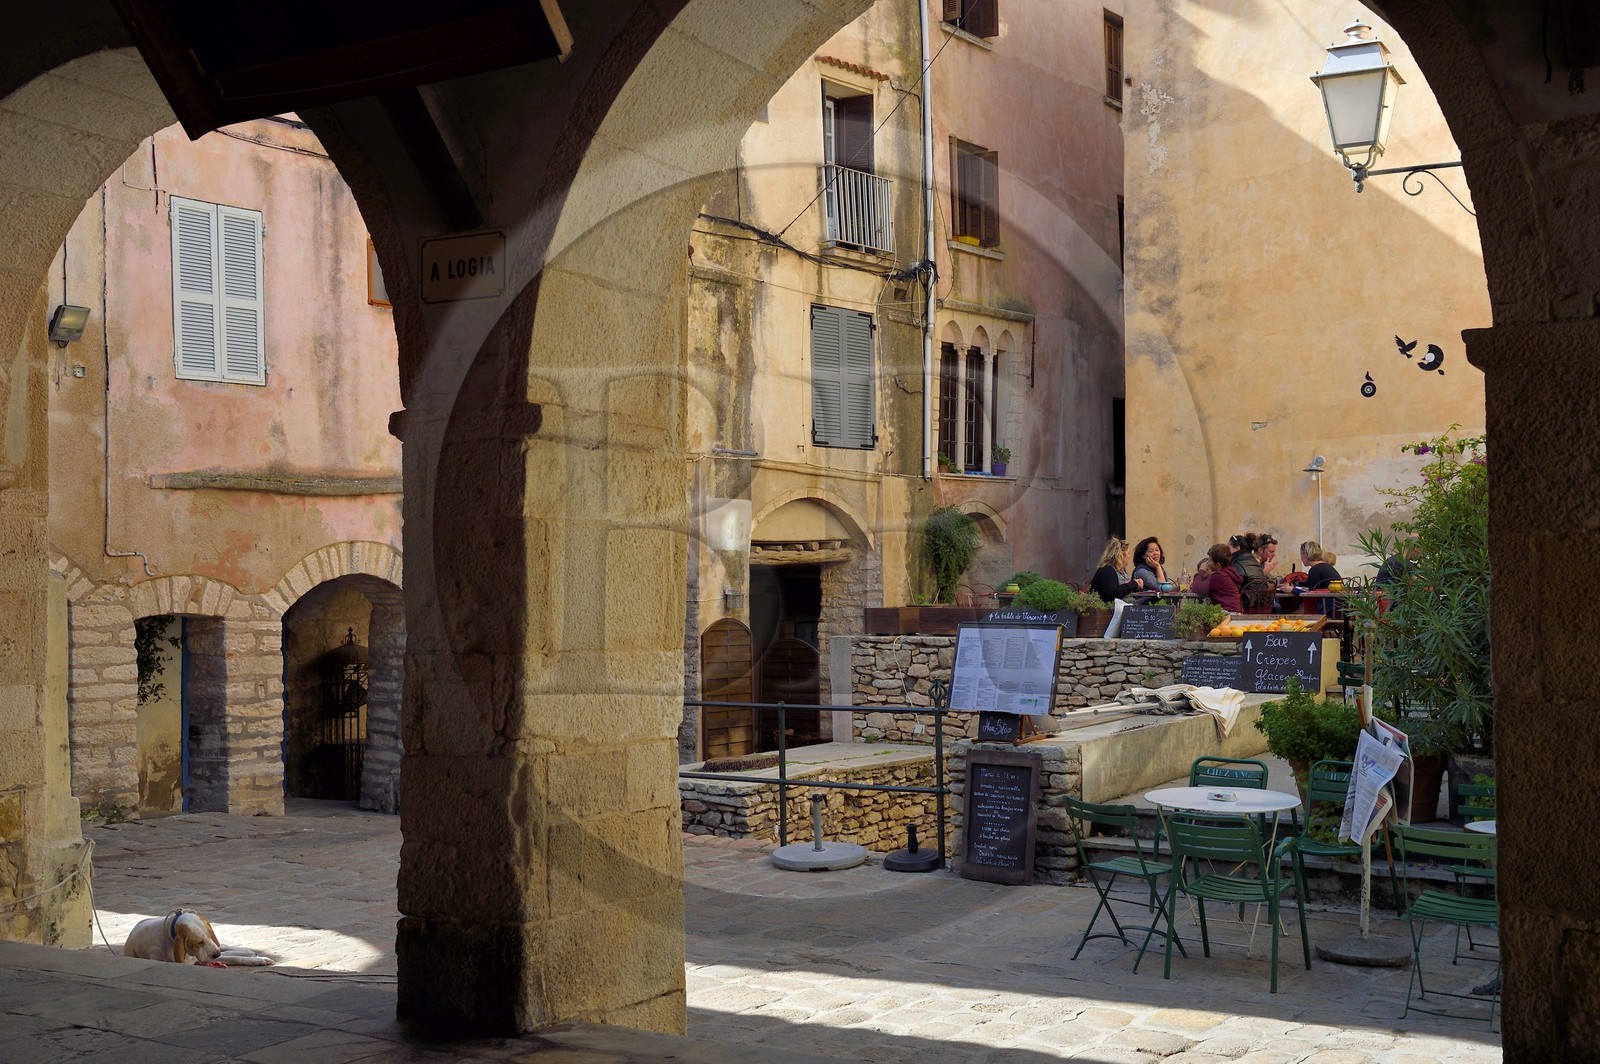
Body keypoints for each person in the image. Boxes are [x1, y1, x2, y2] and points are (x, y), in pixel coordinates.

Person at [1190, 543, 1243, 612]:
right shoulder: (1228, 572)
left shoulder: (1219, 576)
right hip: (1235, 611)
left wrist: (1201, 571)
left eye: (1210, 560)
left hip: (1227, 612)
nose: (1208, 563)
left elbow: (1196, 589)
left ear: (1218, 565)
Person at [1296, 540, 1343, 618]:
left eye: (1301, 554)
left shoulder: (1315, 570)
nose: (1301, 558)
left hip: (1326, 612)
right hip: (1338, 610)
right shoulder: (1327, 567)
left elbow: (1310, 595)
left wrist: (1292, 590)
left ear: (1306, 554)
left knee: (1288, 615)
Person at [1089, 537, 1144, 602]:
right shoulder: (1107, 571)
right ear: (1121, 555)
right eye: (1128, 553)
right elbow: (1112, 594)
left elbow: (1124, 590)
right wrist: (1133, 584)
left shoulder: (1121, 571)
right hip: (1110, 609)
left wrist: (1136, 585)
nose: (1130, 556)